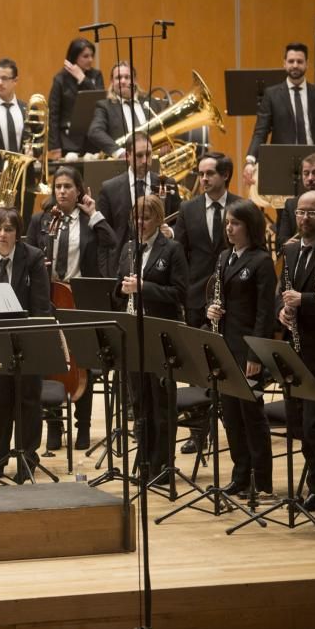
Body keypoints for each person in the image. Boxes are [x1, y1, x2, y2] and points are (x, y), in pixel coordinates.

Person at [25, 166, 116, 449]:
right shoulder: (42, 220)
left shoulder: (89, 221)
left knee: (82, 362)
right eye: (58, 186)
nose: (62, 191)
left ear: (79, 191)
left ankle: (84, 426)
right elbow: (26, 255)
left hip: (78, 299)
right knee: (51, 361)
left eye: (67, 186)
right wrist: (39, 266)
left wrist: (94, 213)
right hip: (48, 297)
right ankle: (54, 425)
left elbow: (111, 242)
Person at [0, 207, 50, 482]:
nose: (3, 235)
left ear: (18, 234)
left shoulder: (33, 258)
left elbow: (41, 304)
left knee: (28, 398)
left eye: (8, 229)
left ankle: (28, 458)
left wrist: (34, 337)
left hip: (28, 338)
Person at [205, 200, 276, 500]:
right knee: (231, 415)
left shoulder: (261, 261)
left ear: (250, 226)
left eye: (235, 223)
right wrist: (212, 310)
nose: (229, 228)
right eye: (227, 223)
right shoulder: (224, 257)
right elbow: (219, 296)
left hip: (247, 350)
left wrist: (256, 355)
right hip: (225, 346)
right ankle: (239, 475)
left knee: (252, 416)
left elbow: (265, 313)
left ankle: (262, 482)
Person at [114, 195, 188, 479]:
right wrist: (120, 291)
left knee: (162, 403)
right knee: (139, 402)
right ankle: (144, 463)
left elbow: (179, 294)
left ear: (158, 219)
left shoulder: (172, 249)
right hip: (133, 333)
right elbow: (118, 288)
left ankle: (164, 466)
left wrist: (145, 287)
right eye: (137, 218)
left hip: (161, 334)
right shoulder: (129, 249)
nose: (140, 223)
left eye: (146, 218)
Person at [277, 191, 315, 519]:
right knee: (300, 427)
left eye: (311, 212)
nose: (304, 218)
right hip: (297, 351)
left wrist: (304, 300)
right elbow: (280, 294)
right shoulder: (290, 250)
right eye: (300, 213)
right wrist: (282, 312)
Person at [244, 43, 315, 186]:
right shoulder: (271, 95)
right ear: (284, 64)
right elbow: (261, 131)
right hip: (283, 164)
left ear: (307, 64)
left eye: (300, 61)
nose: (295, 65)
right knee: (285, 208)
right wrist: (250, 161)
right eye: (291, 61)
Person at [174, 151, 241, 329]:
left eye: (210, 173)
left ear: (225, 175)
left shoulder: (241, 207)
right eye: (201, 174)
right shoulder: (187, 208)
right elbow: (179, 253)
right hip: (195, 296)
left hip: (232, 295)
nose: (203, 178)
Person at [97, 131, 178, 268]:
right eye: (139, 155)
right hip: (121, 266)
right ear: (128, 156)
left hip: (159, 266)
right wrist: (106, 272)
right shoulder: (109, 189)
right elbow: (102, 236)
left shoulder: (167, 183)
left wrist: (170, 231)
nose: (145, 161)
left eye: (148, 154)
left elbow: (179, 222)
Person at [86, 61, 165, 157]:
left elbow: (167, 126)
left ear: (134, 80)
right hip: (123, 164)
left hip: (152, 160)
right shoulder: (105, 106)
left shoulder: (152, 103)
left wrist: (166, 143)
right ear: (112, 81)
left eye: (127, 77)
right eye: (118, 78)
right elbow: (95, 131)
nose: (123, 81)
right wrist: (119, 152)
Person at [47, 38, 105, 159]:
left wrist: (83, 79)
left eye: (92, 56)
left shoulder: (96, 75)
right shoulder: (60, 79)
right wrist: (54, 146)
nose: (90, 60)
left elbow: (101, 101)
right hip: (68, 142)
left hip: (92, 140)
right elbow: (53, 115)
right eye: (85, 56)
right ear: (74, 57)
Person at [275, 151, 315, 251]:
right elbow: (281, 240)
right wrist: (287, 244)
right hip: (298, 254)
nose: (310, 178)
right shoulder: (291, 204)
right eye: (306, 173)